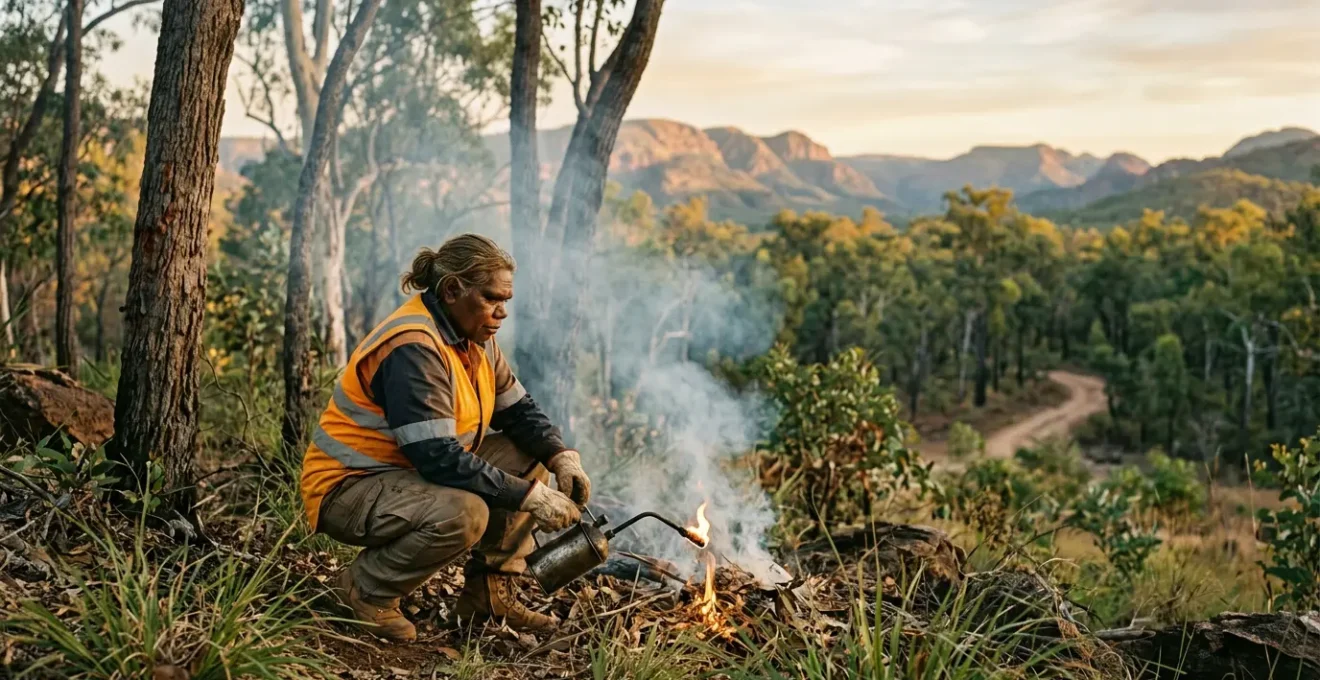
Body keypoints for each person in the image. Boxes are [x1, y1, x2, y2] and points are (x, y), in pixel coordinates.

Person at [300, 233, 591, 642]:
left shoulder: (475, 339)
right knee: (466, 512)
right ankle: (363, 590)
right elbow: (436, 456)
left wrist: (561, 457)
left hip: (405, 476)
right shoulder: (413, 346)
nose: (502, 312)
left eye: (505, 300)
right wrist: (531, 497)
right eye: (492, 298)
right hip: (349, 487)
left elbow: (519, 412)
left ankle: (489, 596)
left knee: (531, 454)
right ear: (453, 289)